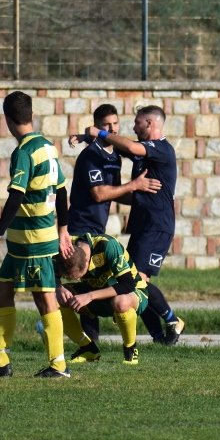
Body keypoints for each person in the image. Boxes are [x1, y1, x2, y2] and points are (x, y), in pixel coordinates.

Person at [0, 90, 72, 379]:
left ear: (7, 120)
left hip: (34, 239)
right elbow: (62, 190)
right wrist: (63, 229)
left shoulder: (24, 152)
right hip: (23, 241)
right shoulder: (48, 147)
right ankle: (1, 361)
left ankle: (58, 364)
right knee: (2, 290)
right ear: (31, 115)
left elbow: (16, 196)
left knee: (44, 298)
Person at [80, 105, 185, 345]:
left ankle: (172, 321)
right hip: (141, 225)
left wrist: (100, 132)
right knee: (132, 280)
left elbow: (127, 145)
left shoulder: (161, 149)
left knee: (137, 280)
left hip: (157, 226)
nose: (132, 127)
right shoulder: (144, 153)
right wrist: (86, 137)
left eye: (137, 122)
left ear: (149, 123)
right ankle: (159, 337)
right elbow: (121, 147)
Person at [64, 103, 161, 344]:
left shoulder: (115, 155)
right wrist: (135, 186)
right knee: (87, 283)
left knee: (99, 283)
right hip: (80, 228)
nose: (113, 128)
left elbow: (117, 191)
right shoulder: (89, 157)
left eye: (115, 123)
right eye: (107, 125)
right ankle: (90, 344)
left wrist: (148, 201)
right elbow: (99, 194)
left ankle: (93, 343)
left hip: (98, 228)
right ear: (98, 127)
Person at [55, 232, 149, 365]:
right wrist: (58, 287)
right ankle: (88, 348)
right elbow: (46, 268)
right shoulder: (65, 246)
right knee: (54, 299)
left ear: (88, 260)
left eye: (79, 275)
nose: (77, 279)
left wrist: (89, 296)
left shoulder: (107, 245)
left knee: (121, 302)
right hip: (96, 291)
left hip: (132, 292)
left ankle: (130, 349)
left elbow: (127, 285)